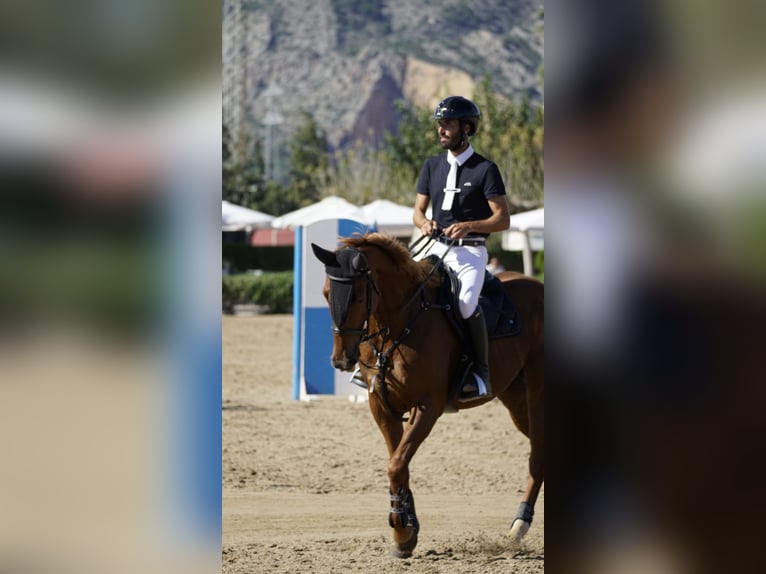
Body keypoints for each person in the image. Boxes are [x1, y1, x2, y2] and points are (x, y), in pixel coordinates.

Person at [412, 95, 510, 402]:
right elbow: (417, 212)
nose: (441, 131)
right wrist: (424, 223)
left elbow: (502, 219)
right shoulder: (431, 166)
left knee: (466, 302)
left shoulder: (485, 169)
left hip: (469, 251)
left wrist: (470, 225)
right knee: (398, 286)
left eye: (448, 125)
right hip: (433, 246)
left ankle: (480, 371)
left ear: (466, 128)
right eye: (440, 125)